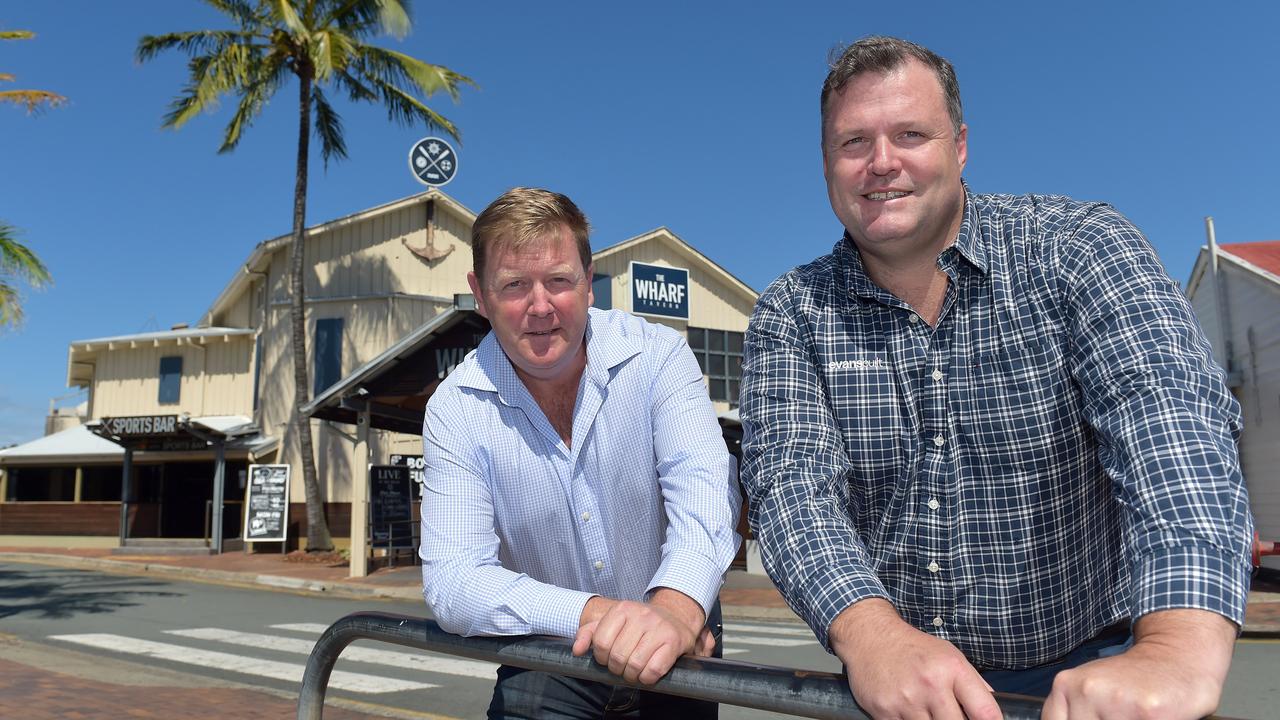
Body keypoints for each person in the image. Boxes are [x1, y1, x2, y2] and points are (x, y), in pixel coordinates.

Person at [739, 36, 1253, 720]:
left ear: (960, 147)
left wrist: (1176, 642)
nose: (881, 162)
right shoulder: (789, 313)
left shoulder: (1079, 248)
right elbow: (790, 486)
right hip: (900, 676)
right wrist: (872, 634)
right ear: (828, 163)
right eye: (853, 141)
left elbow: (1165, 421)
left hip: (1091, 668)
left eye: (910, 134)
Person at [420, 187, 741, 719]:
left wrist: (677, 611)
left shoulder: (659, 358)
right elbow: (455, 580)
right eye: (515, 285)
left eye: (559, 281)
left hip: (676, 633)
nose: (540, 306)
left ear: (590, 283)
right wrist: (598, 614)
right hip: (550, 649)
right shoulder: (454, 409)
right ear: (480, 294)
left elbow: (707, 501)